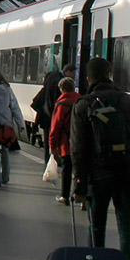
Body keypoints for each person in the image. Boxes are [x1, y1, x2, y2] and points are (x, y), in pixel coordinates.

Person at [71, 56, 130, 260]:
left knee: (96, 228)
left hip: (97, 177)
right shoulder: (129, 101)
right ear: (109, 75)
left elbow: (78, 150)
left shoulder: (83, 104)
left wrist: (80, 182)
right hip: (127, 175)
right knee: (127, 231)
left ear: (88, 78)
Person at [48, 76, 81, 205]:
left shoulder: (62, 104)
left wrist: (52, 146)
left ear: (61, 89)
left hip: (66, 144)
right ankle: (82, 197)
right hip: (81, 142)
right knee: (81, 170)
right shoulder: (81, 101)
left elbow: (55, 128)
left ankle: (65, 196)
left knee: (67, 170)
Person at [33, 63, 76, 162]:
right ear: (68, 72)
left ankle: (49, 160)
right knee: (54, 138)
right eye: (72, 75)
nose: (73, 77)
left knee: (49, 138)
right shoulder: (58, 82)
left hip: (44, 113)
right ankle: (54, 160)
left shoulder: (51, 75)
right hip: (51, 114)